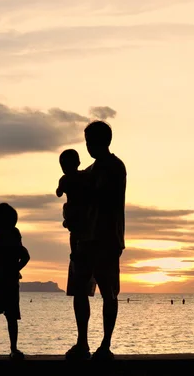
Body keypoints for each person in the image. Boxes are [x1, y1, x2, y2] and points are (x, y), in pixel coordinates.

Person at [66, 120, 126, 361]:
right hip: (84, 239)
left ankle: (105, 345)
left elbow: (102, 196)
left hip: (107, 239)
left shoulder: (115, 167)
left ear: (104, 141)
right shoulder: (88, 172)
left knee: (108, 293)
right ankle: (82, 343)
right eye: (87, 142)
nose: (89, 146)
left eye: (91, 141)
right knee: (80, 292)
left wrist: (76, 184)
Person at [0, 203, 30, 361]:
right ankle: (11, 349)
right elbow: (26, 257)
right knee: (9, 318)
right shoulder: (13, 242)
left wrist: (13, 268)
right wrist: (16, 268)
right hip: (8, 282)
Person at [56, 149, 96, 298]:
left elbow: (59, 192)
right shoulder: (83, 177)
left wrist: (61, 189)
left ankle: (74, 253)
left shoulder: (66, 179)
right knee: (74, 234)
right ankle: (74, 253)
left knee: (74, 235)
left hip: (76, 212)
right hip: (78, 214)